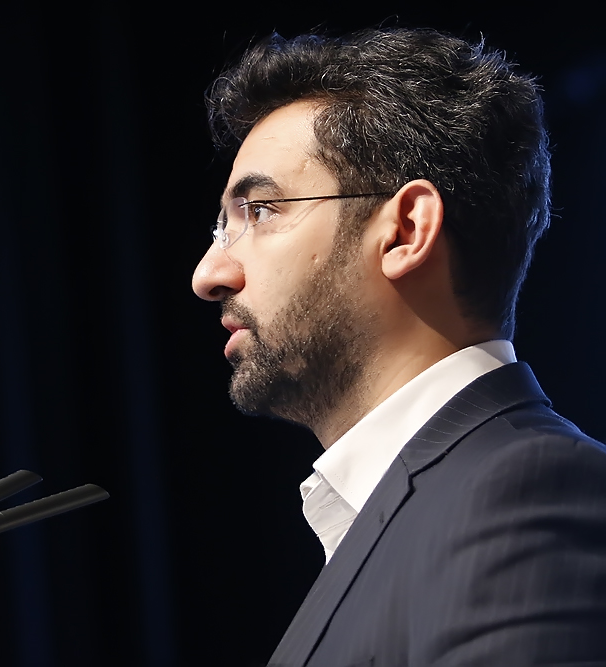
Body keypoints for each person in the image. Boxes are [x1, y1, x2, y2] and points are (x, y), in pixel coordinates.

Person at [191, 28, 606, 666]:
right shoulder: (400, 511)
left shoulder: (526, 489)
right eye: (225, 225)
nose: (208, 273)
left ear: (406, 230)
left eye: (261, 211)